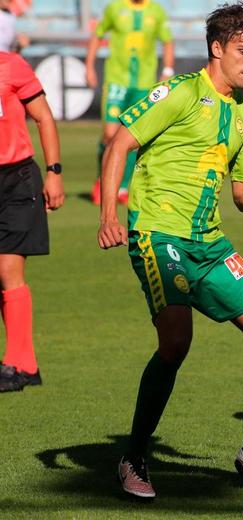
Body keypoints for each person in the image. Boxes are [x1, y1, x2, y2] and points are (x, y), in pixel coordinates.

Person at [97, 3, 243, 499]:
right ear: (217, 49)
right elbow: (119, 145)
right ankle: (134, 456)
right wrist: (109, 214)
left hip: (210, 244)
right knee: (176, 344)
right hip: (158, 235)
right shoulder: (181, 93)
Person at [0, 50, 65, 392]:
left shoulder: (11, 66)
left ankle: (14, 365)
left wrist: (54, 173)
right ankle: (25, 364)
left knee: (9, 270)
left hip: (17, 180)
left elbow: (43, 117)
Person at [85, 0, 174, 205]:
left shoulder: (156, 11)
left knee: (134, 137)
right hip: (117, 80)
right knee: (109, 134)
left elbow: (167, 41)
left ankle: (123, 187)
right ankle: (103, 181)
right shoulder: (115, 7)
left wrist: (167, 70)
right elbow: (97, 35)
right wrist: (89, 66)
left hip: (144, 83)